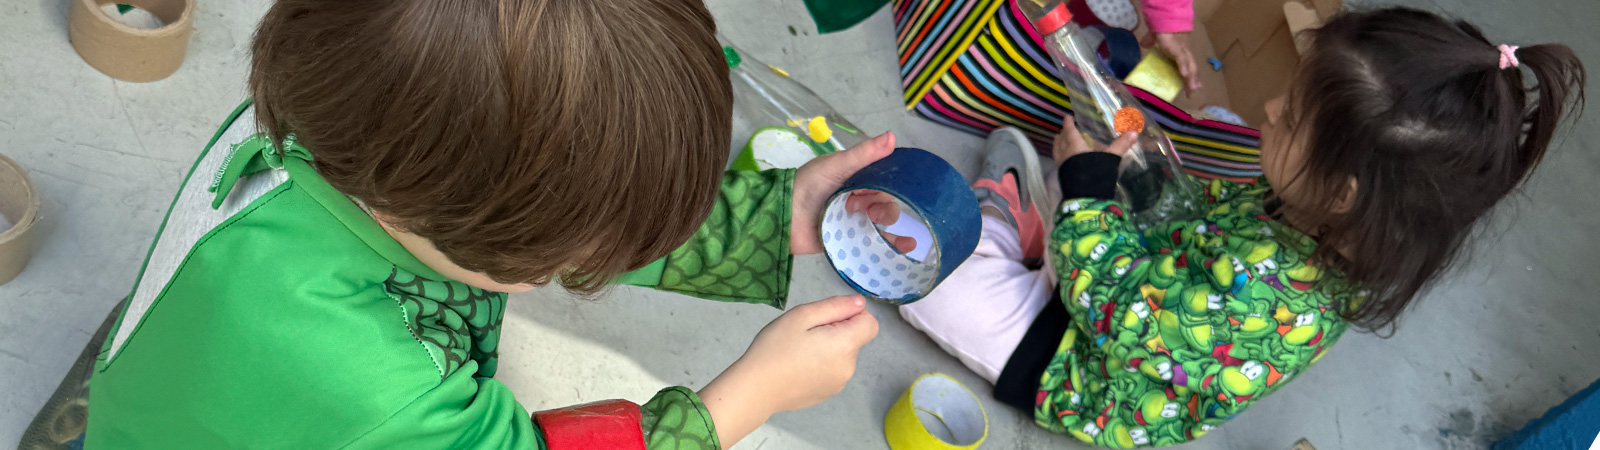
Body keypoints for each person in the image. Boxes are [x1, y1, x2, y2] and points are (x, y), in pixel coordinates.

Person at [17, 1, 910, 449]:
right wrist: (742, 401)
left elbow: (550, 192)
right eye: (564, 261)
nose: (583, 267)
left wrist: (778, 217)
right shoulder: (380, 384)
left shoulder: (330, 115)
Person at [899, 7, 1585, 448]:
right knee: (1102, 166)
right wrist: (1128, 179)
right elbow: (1189, 221)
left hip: (1082, 368)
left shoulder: (1269, 304)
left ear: (1341, 192)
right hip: (1131, 278)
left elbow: (1119, 317)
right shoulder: (1309, 211)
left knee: (933, 281)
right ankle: (1034, 223)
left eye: (1292, 118)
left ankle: (1009, 221)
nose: (1272, 106)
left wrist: (1085, 194)